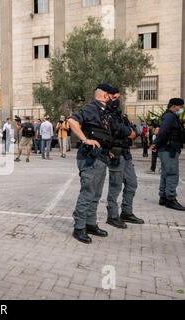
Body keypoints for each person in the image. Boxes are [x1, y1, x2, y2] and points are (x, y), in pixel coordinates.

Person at [68, 84, 121, 244]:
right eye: (113, 97)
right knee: (88, 193)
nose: (115, 100)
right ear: (105, 95)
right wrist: (85, 139)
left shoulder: (104, 112)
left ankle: (90, 224)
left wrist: (108, 149)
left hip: (101, 157)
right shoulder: (91, 108)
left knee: (96, 194)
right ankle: (79, 227)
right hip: (90, 158)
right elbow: (72, 121)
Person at [105, 87, 144, 230]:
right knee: (115, 186)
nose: (116, 101)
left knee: (132, 183)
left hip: (126, 153)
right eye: (114, 98)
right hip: (115, 153)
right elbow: (124, 131)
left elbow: (132, 132)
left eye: (118, 98)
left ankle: (126, 212)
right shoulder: (106, 115)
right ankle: (112, 216)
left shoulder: (120, 115)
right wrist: (129, 132)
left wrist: (130, 132)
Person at [152, 98, 185, 211]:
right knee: (172, 173)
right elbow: (163, 132)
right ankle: (170, 199)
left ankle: (164, 197)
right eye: (180, 107)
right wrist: (155, 144)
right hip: (168, 149)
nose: (181, 109)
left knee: (166, 173)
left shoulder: (169, 116)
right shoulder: (170, 116)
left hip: (167, 148)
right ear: (175, 106)